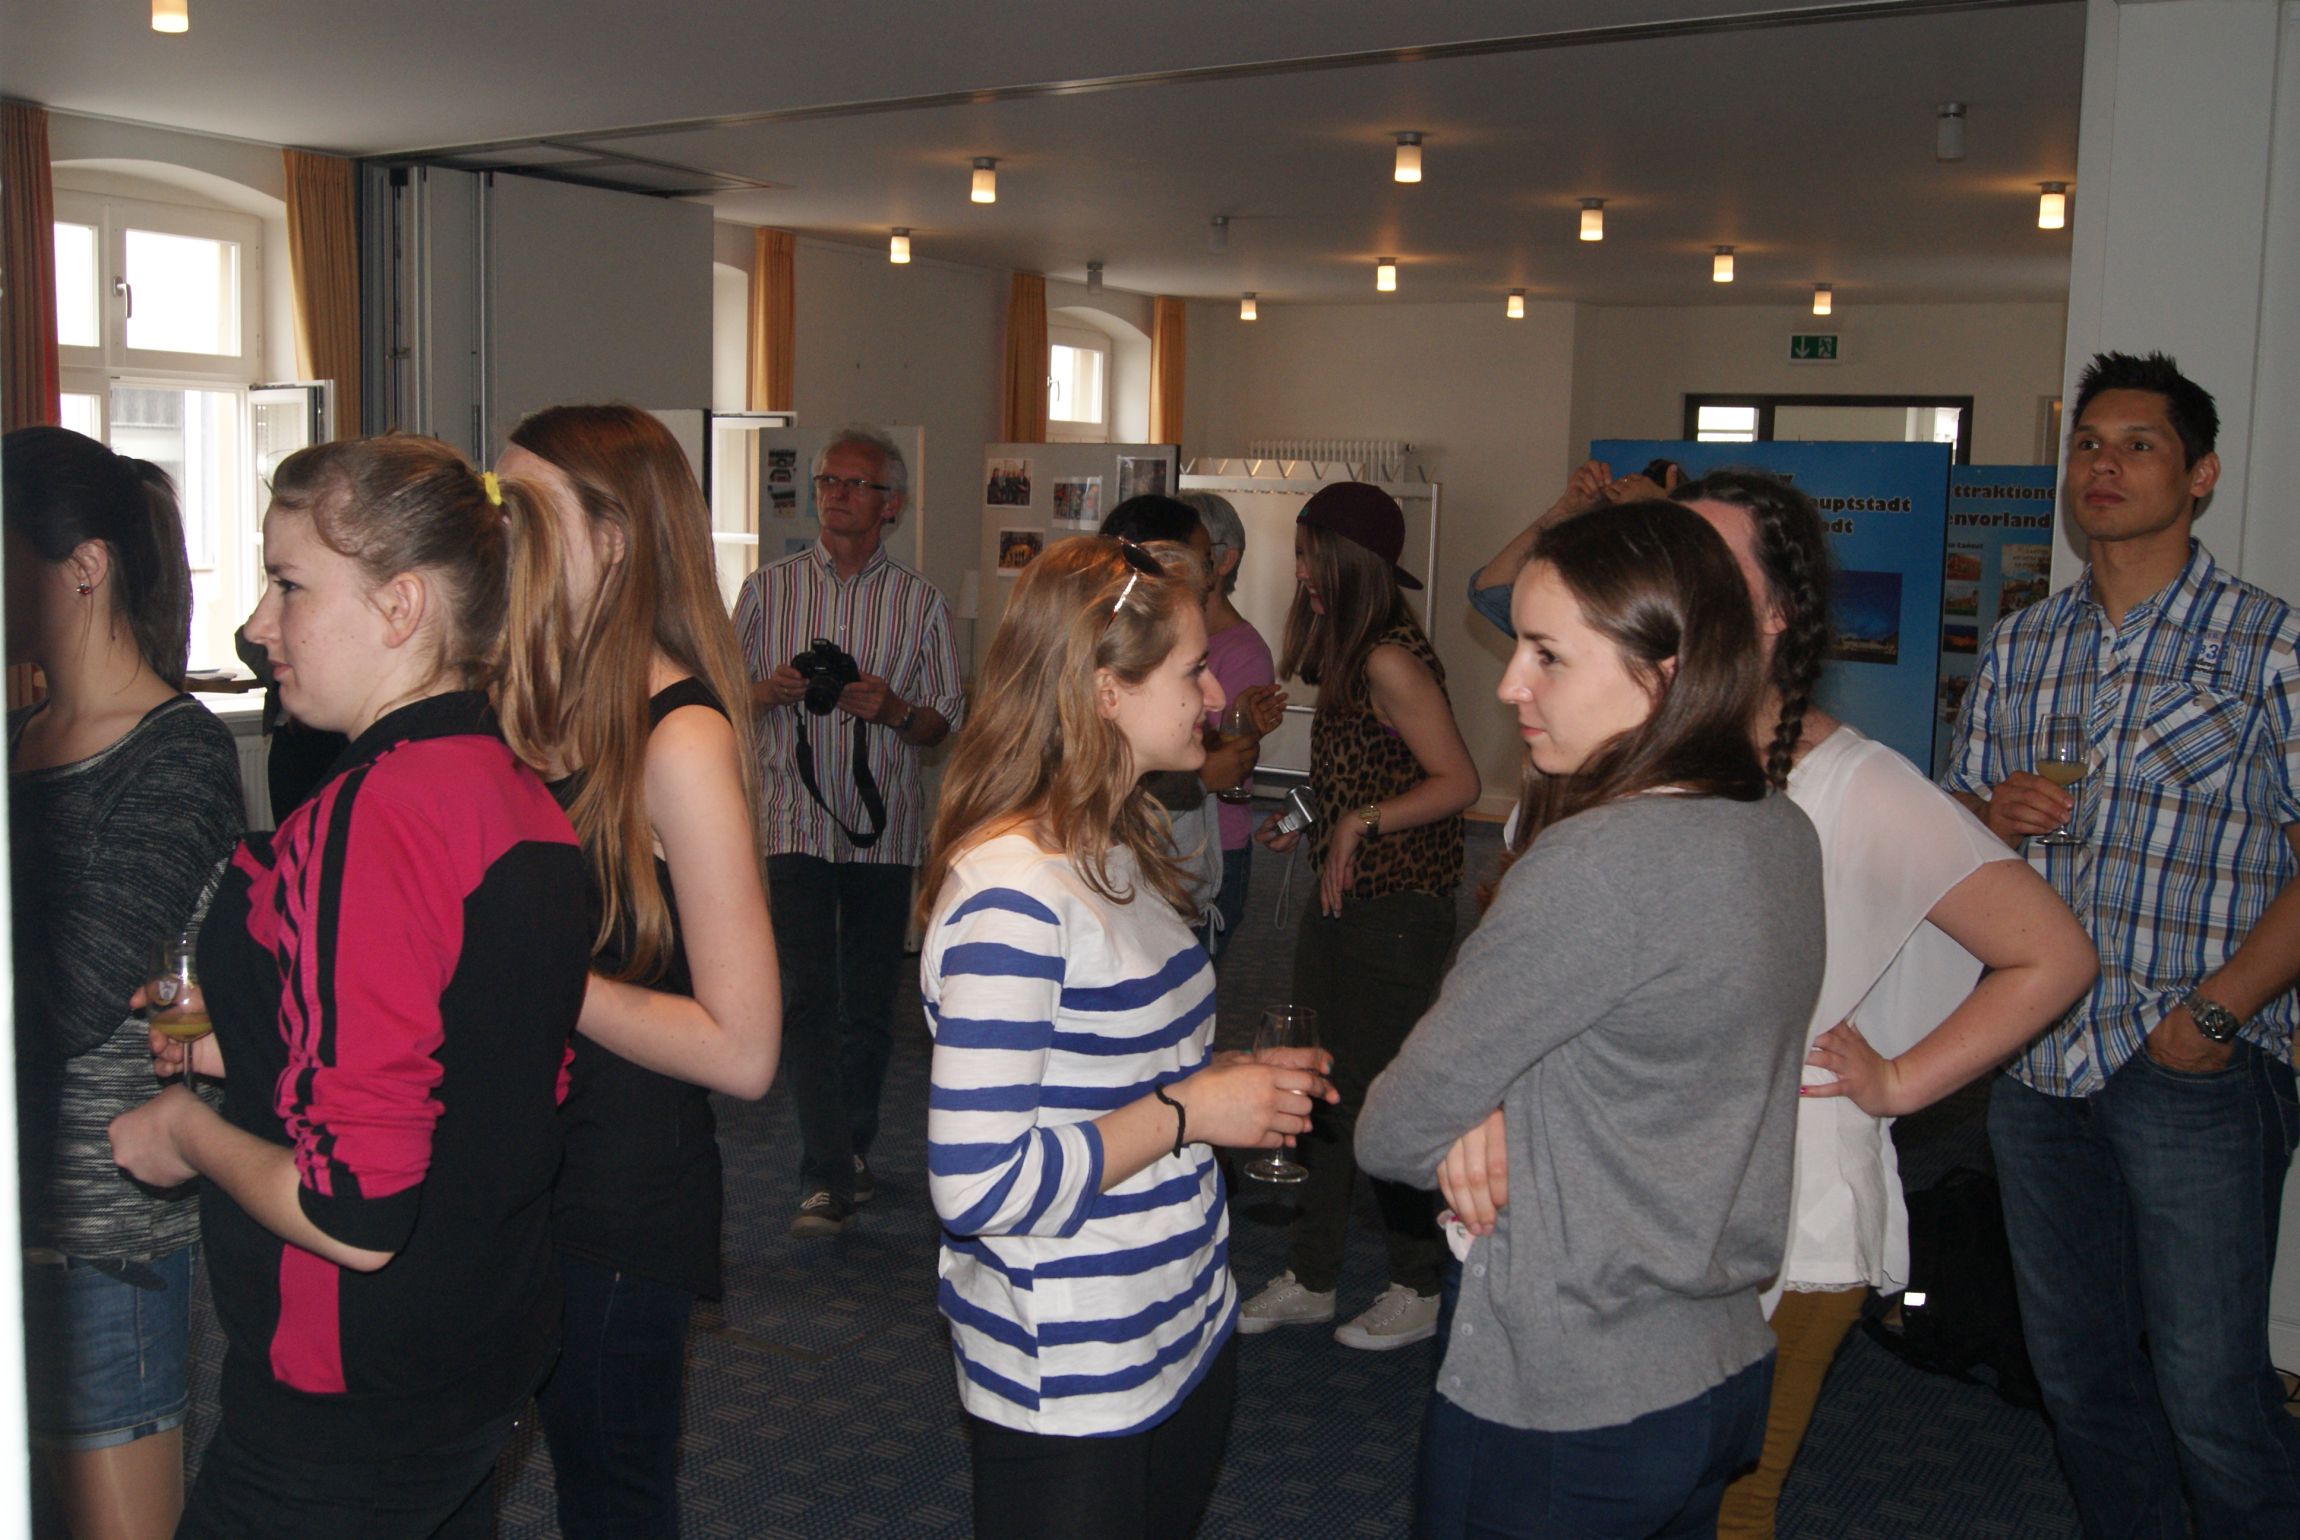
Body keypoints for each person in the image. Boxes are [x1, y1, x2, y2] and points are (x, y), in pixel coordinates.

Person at [108, 435, 591, 1538]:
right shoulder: (511, 787)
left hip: (351, 1389)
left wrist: (186, 1130)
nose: (258, 625)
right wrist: (239, 1043)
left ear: (400, 606)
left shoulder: (374, 812)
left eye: (288, 585)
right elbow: (472, 1059)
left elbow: (354, 1213)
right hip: (479, 1342)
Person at [1357, 500, 1825, 1540]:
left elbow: (1392, 1129)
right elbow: (1640, 1064)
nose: (1508, 684)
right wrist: (1492, 1105)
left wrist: (1468, 1109)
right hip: (1710, 1364)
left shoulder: (1600, 865)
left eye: (1546, 655)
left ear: (1661, 673)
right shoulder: (1776, 826)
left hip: (1569, 1394)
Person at [1659, 470, 2097, 1539]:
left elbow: (2050, 954)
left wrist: (1898, 1081)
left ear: (1780, 612)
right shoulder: (1645, 751)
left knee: (1727, 1505)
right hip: (1656, 1188)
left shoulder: (1858, 783)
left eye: (1715, 568)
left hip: (1790, 1197)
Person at [1942, 351, 2300, 1538]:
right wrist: (1988, 817)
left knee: (2210, 1395)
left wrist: (2211, 1017)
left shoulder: (2265, 646)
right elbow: (1954, 839)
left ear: (2198, 475)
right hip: (2036, 1060)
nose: (2102, 465)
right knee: (2079, 1380)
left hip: (2191, 1064)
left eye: (2136, 444)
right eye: (2086, 444)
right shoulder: (2022, 644)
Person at [917, 536, 1336, 1539]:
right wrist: (1192, 1107)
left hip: (1174, 1310)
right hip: (1073, 1363)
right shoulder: (1013, 894)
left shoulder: (1114, 836)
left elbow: (1106, 1071)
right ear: (1106, 690)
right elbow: (976, 1186)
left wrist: (1221, 1080)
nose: (1214, 696)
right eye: (1192, 671)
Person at [494, 405, 782, 1540]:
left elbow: (744, 1050)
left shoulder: (680, 736)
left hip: (616, 1192)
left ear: (612, 540)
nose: (500, 532)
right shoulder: (526, 699)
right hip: (517, 1167)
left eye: (526, 510)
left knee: (612, 1502)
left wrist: (545, 979)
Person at [7, 427, 243, 1540]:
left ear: (84, 566)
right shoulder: (18, 736)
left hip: (103, 1233)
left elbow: (72, 985)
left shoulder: (174, 754)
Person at [1243, 481, 1479, 1351]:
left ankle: (1418, 1283)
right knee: (1318, 1084)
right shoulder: (1349, 652)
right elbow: (1357, 773)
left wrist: (1359, 823)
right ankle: (1313, 1275)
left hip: (1399, 909)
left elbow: (1459, 782)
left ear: (1351, 563)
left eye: (1312, 556)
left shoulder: (1389, 659)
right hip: (1346, 899)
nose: (1301, 572)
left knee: (1381, 1100)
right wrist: (1307, 817)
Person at [733, 426, 965, 1237]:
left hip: (882, 830)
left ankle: (853, 1148)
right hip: (790, 820)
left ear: (891, 504)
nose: (835, 494)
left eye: (855, 483)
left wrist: (891, 709)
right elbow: (724, 693)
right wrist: (767, 692)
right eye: (827, 480)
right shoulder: (767, 590)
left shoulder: (921, 603)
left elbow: (940, 722)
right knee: (806, 997)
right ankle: (824, 1174)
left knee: (867, 1005)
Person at [1099, 494, 1282, 948]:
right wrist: (1202, 779)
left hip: (1170, 887)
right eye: (1192, 671)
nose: (1208, 574)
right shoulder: (1107, 668)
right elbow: (1104, 788)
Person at [1177, 490, 1284, 959]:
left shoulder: (1244, 651)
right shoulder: (1172, 633)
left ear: (1224, 560)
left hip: (1215, 842)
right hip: (1173, 833)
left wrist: (1239, 725)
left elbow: (1232, 764)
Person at [1467, 457, 1683, 633]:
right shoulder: (1578, 609)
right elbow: (1490, 592)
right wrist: (1564, 511)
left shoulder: (1671, 614)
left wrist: (1664, 513)